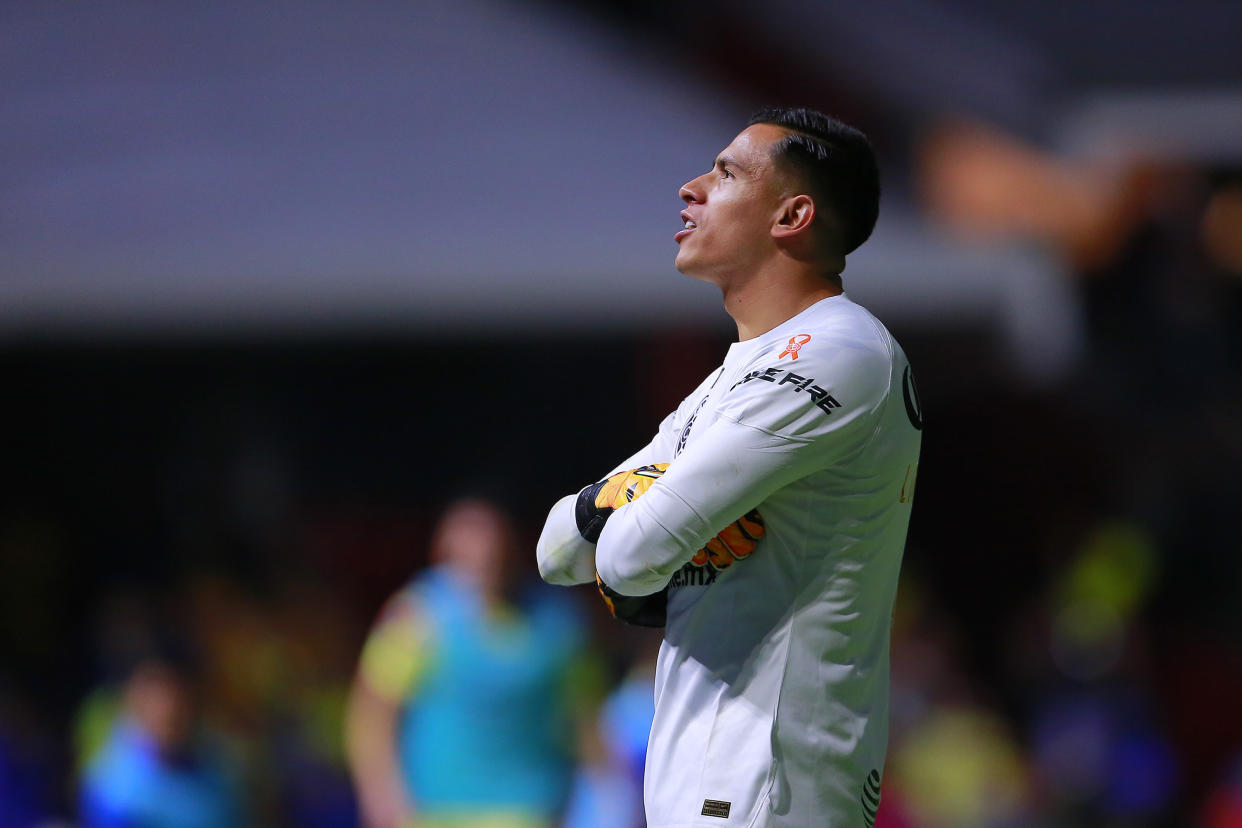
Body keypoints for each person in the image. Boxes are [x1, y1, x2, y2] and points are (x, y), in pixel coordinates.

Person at [536, 107, 923, 827]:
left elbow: (627, 557)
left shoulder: (840, 352)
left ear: (792, 215)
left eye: (725, 173)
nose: (690, 188)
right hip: (710, 779)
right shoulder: (726, 383)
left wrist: (638, 519)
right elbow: (558, 547)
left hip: (770, 778)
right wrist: (615, 502)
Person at [345, 498, 589, 828]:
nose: (485, 555)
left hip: (533, 808)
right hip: (437, 811)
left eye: (493, 544)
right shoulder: (418, 615)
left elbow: (584, 714)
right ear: (445, 551)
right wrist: (380, 792)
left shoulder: (555, 619)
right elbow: (372, 713)